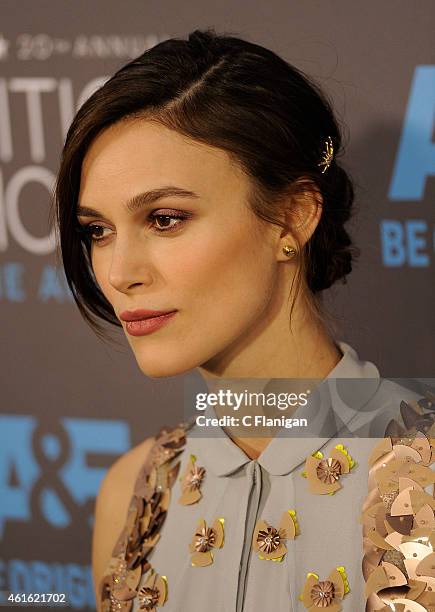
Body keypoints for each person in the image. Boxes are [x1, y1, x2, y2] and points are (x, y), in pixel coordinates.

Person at [51, 27, 435, 612]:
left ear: (293, 218)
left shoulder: (425, 473)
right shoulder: (131, 494)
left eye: (164, 218)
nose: (118, 271)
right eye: (97, 231)